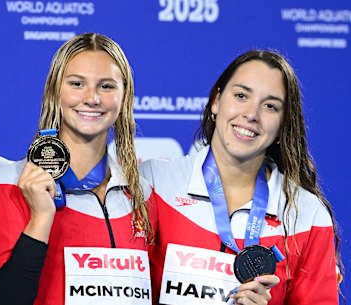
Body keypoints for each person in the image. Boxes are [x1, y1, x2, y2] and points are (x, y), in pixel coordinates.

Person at [141, 50, 343, 304]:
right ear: (216, 101)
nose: (251, 114)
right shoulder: (154, 184)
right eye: (241, 96)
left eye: (270, 106)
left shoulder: (307, 215)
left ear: (282, 126)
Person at [0, 32, 157, 305]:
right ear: (55, 92)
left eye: (107, 86)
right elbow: (1, 301)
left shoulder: (143, 193)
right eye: (77, 83)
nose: (92, 98)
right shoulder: (9, 183)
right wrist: (41, 218)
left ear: (124, 98)